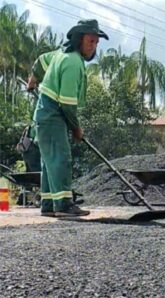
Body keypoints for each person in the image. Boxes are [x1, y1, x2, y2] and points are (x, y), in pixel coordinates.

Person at [29, 19, 109, 217]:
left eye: (96, 43)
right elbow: (67, 103)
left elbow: (41, 61)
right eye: (91, 41)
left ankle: (48, 205)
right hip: (52, 114)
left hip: (45, 115)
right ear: (79, 39)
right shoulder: (72, 62)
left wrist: (33, 78)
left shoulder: (60, 53)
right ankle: (64, 205)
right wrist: (76, 128)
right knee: (61, 159)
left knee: (50, 161)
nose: (94, 47)